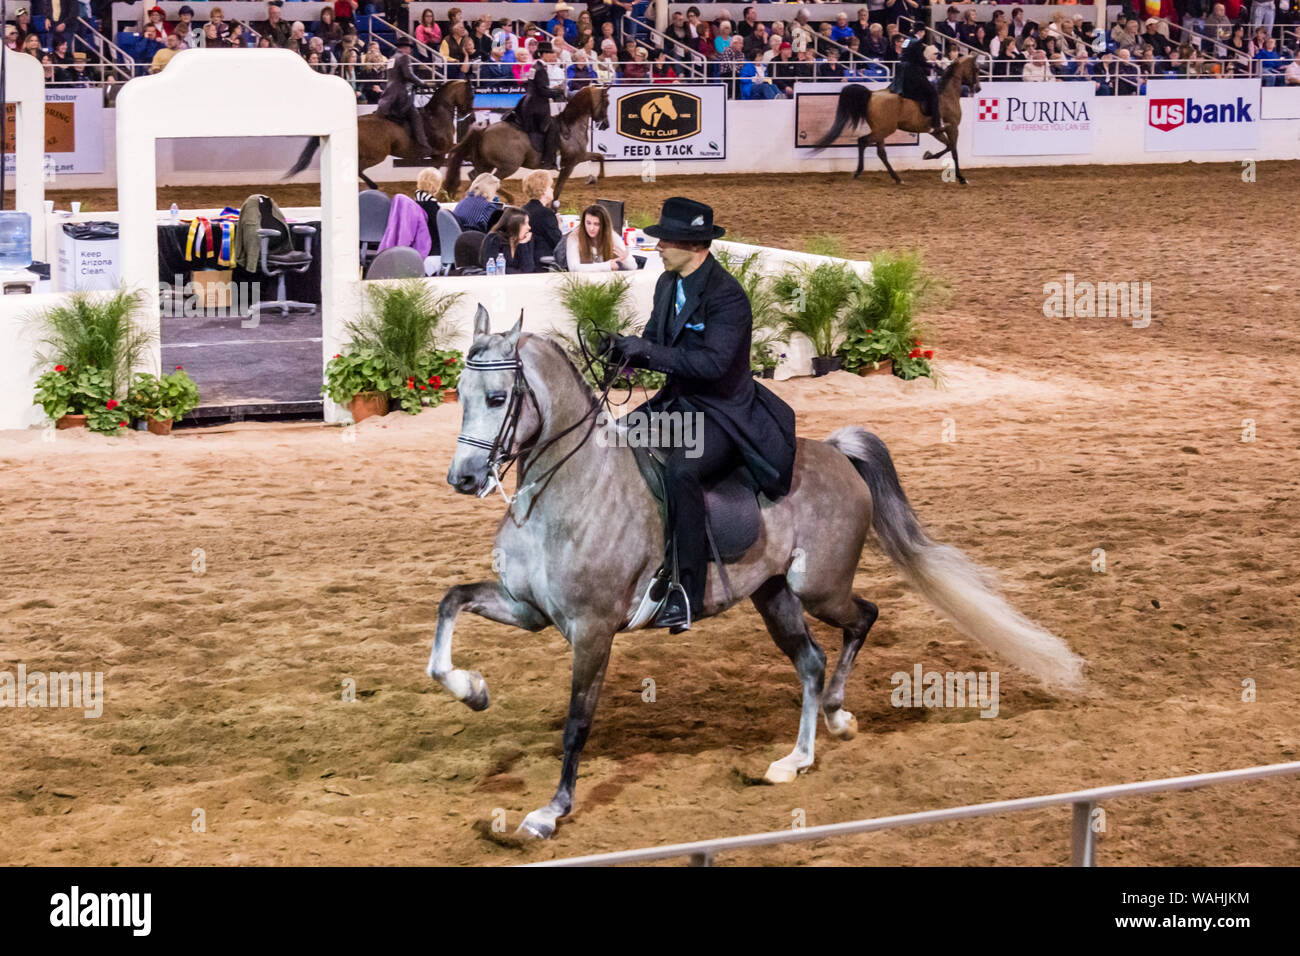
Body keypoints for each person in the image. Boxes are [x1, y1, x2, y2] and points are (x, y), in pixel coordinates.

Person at [600, 197, 796, 631]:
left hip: (722, 414)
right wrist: (624, 352)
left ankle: (686, 594)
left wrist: (648, 350)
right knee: (609, 440)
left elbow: (712, 365)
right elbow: (655, 342)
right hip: (677, 405)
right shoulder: (667, 283)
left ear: (693, 245)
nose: (658, 246)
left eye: (666, 239)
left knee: (683, 472)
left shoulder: (727, 297)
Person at [376, 38, 431, 158]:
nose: (410, 51)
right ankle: (424, 146)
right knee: (416, 116)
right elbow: (408, 75)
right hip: (401, 95)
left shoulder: (391, 58)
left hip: (388, 95)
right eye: (409, 48)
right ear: (406, 48)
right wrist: (423, 83)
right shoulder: (404, 57)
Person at [515, 41, 566, 170]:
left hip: (529, 104)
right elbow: (543, 91)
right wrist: (558, 92)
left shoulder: (534, 67)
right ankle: (548, 161)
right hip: (537, 108)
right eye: (551, 53)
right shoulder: (541, 70)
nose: (553, 55)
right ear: (544, 54)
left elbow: (532, 86)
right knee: (553, 127)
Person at [565, 204, 636, 272]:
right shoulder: (574, 237)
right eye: (588, 223)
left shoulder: (613, 237)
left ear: (604, 225)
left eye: (596, 224)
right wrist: (607, 266)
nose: (591, 228)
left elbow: (633, 266)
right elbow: (573, 268)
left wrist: (626, 259)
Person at [894, 37, 941, 136]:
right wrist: (932, 66)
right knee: (933, 93)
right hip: (913, 73)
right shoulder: (917, 42)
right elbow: (919, 59)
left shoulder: (907, 40)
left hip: (902, 71)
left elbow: (904, 54)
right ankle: (935, 124)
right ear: (922, 32)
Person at [480, 207, 536, 275]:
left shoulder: (526, 240)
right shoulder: (494, 239)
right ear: (514, 225)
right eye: (525, 223)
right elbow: (493, 269)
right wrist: (518, 272)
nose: (529, 227)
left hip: (521, 283)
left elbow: (529, 270)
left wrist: (522, 244)